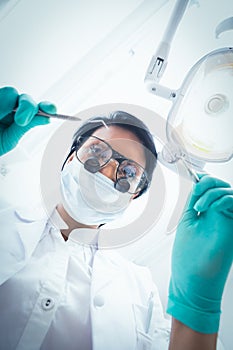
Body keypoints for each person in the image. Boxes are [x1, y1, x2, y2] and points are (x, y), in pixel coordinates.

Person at [0, 86, 232, 350]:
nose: (108, 171)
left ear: (134, 195)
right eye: (97, 152)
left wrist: (196, 303)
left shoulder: (141, 292)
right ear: (69, 158)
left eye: (129, 172)